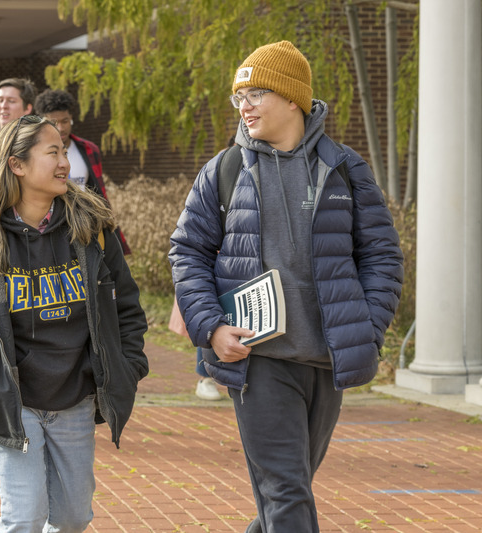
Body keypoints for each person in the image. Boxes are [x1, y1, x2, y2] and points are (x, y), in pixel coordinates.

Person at [169, 41, 403, 532]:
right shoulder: (224, 170)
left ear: (292, 98)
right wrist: (211, 328)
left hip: (324, 359)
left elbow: (381, 256)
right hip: (257, 360)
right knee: (286, 492)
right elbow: (187, 253)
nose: (244, 106)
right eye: (239, 97)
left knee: (284, 497)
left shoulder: (345, 167)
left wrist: (367, 326)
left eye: (255, 93)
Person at [0, 114, 149, 531]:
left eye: (64, 152)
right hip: (14, 403)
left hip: (75, 401)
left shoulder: (92, 229)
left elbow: (128, 310)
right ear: (17, 165)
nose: (65, 161)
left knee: (72, 518)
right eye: (53, 153)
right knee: (25, 517)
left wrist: (129, 366)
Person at [34, 88, 130, 254]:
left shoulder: (88, 150)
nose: (61, 128)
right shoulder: (35, 154)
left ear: (71, 119)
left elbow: (99, 194)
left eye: (65, 121)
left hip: (85, 226)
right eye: (54, 122)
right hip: (49, 227)